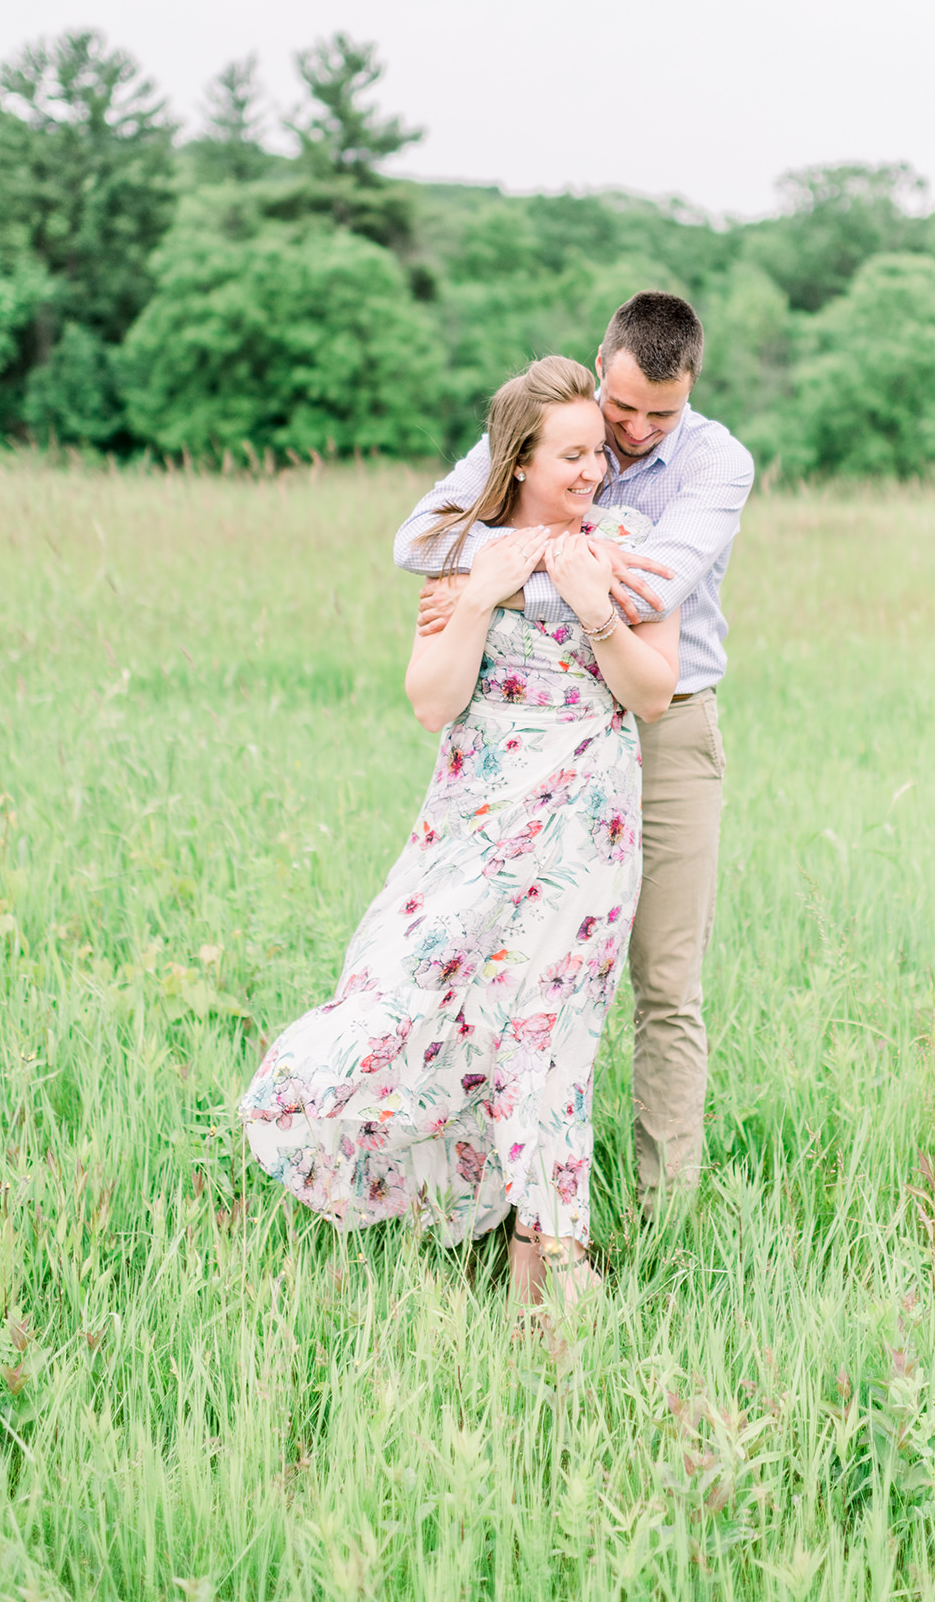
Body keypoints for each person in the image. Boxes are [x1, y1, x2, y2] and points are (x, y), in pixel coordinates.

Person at [238, 356, 679, 1313]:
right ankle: (432, 1188)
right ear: (516, 460)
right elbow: (432, 702)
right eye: (570, 457)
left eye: (597, 454)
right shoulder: (463, 550)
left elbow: (651, 692)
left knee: (556, 1029)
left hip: (585, 823)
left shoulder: (631, 541)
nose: (592, 472)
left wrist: (597, 609)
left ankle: (546, 1255)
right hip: (472, 820)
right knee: (412, 987)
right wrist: (483, 594)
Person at [396, 291, 754, 1216]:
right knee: (512, 964)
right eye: (620, 406)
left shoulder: (717, 462)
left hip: (662, 720)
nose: (628, 435)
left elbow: (649, 589)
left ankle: (661, 1209)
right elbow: (419, 537)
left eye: (656, 416)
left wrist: (499, 588)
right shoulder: (558, 416)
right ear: (602, 362)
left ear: (692, 391)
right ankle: (492, 1196)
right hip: (537, 731)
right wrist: (507, 570)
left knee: (665, 981)